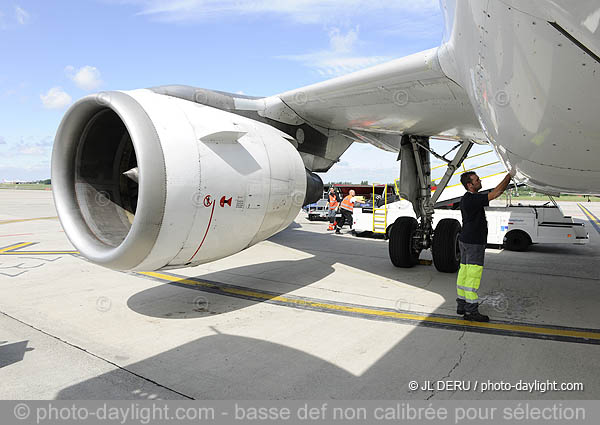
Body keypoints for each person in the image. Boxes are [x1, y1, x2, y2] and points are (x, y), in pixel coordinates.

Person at [456, 171, 514, 322]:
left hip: (465, 240)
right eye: (477, 180)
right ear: (470, 185)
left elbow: (493, 192)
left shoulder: (468, 198)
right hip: (474, 242)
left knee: (464, 273)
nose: (479, 181)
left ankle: (462, 305)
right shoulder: (472, 199)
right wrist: (509, 176)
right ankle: (471, 311)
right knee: (473, 277)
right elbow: (496, 193)